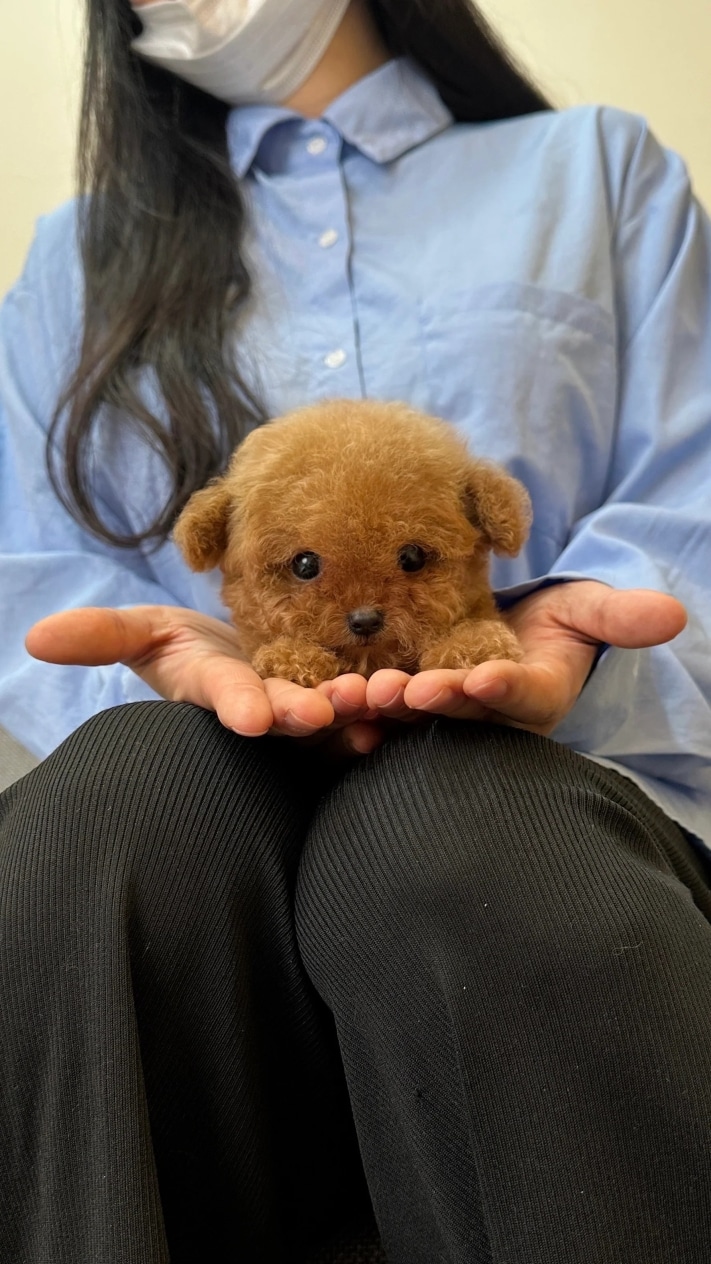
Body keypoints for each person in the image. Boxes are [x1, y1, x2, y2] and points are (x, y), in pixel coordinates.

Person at [1, 0, 710, 1259]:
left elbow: (691, 486)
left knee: (450, 825)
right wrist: (211, 697)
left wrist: (558, 637)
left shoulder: (596, 170)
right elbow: (33, 569)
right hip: (206, 834)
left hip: (547, 788)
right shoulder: (75, 258)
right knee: (103, 812)